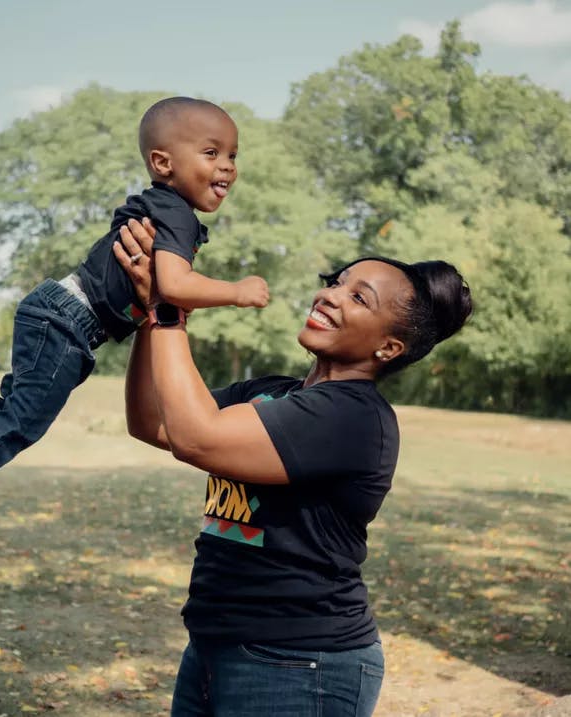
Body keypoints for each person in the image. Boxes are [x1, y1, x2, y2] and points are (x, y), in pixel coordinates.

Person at [0, 96, 270, 576]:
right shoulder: (178, 215)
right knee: (22, 421)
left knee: (12, 407)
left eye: (233, 155)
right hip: (68, 320)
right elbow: (173, 285)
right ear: (163, 162)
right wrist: (237, 291)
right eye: (212, 153)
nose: (227, 165)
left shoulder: (165, 207)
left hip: (59, 312)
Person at [113, 217, 472, 717]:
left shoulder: (355, 416)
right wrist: (149, 312)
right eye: (336, 282)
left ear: (389, 348)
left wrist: (169, 307)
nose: (331, 295)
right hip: (214, 646)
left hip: (301, 663)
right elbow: (152, 420)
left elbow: (197, 439)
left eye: (359, 297)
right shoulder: (272, 392)